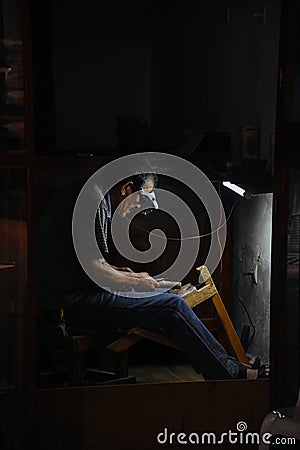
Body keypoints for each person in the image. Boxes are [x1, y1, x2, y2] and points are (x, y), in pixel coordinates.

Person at [37, 171, 268, 380]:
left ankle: (227, 364)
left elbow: (88, 264)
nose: (137, 208)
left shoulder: (90, 195)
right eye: (139, 200)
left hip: (73, 294)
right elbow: (95, 270)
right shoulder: (93, 203)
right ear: (126, 188)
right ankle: (230, 373)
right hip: (73, 303)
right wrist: (137, 281)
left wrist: (127, 275)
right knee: (172, 306)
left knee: (166, 299)